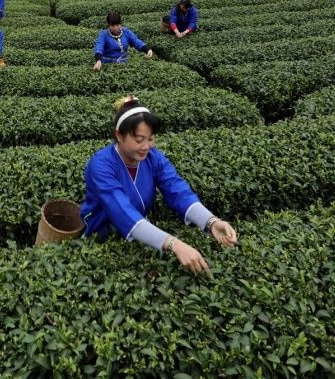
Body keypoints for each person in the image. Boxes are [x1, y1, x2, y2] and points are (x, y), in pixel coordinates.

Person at [81, 96, 237, 273]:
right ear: (119, 135)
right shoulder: (101, 165)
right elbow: (121, 210)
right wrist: (174, 244)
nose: (146, 146)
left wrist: (211, 222)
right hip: (100, 237)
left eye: (150, 139)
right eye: (139, 140)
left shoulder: (153, 158)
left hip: (141, 234)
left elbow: (177, 190)